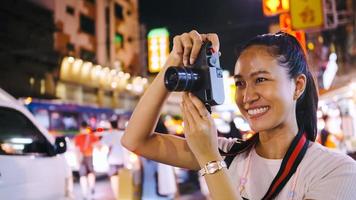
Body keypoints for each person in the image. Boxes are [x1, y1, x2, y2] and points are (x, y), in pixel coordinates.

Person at [121, 30, 356, 199]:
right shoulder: (230, 153)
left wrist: (211, 161)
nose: (247, 96)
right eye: (240, 83)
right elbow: (135, 140)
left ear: (297, 86)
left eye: (261, 80)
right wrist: (175, 60)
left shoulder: (335, 171)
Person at [100, 119, 128, 199]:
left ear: (111, 126)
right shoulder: (122, 134)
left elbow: (101, 145)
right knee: (121, 180)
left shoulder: (108, 135)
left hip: (112, 160)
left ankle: (117, 197)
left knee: (114, 179)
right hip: (122, 160)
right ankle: (122, 196)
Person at [74, 121, 100, 199]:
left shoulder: (78, 137)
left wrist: (77, 160)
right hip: (89, 156)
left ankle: (84, 192)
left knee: (83, 176)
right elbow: (98, 145)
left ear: (81, 127)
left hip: (81, 157)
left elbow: (77, 150)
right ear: (87, 127)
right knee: (91, 173)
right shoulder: (91, 136)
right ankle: (92, 187)